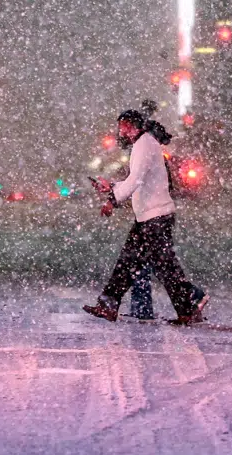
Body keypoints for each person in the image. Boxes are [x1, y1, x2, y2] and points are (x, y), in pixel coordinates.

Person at [84, 110, 208, 325]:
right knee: (132, 262)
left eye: (123, 126)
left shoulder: (144, 144)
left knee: (161, 266)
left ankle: (192, 301)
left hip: (155, 218)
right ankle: (110, 305)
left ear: (133, 126)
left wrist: (112, 200)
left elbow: (136, 180)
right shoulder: (145, 143)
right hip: (149, 217)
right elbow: (137, 180)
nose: (120, 131)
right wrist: (111, 187)